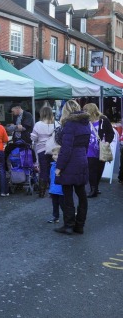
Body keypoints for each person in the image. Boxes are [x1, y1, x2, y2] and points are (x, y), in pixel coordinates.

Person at [54, 100, 90, 235]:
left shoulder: (70, 125)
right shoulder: (86, 123)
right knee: (82, 194)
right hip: (82, 159)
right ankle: (79, 225)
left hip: (71, 162)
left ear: (66, 110)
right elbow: (86, 145)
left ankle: (69, 225)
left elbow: (66, 149)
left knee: (67, 194)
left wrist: (59, 167)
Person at [82, 102, 115, 197]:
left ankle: (95, 187)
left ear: (91, 111)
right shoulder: (85, 121)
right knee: (91, 169)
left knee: (100, 169)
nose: (84, 112)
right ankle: (93, 189)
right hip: (89, 149)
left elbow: (110, 133)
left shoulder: (103, 120)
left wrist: (108, 142)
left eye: (86, 110)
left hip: (101, 149)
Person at [30, 106, 58, 198]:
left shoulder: (38, 124)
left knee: (44, 170)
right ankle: (54, 190)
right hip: (54, 150)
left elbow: (33, 138)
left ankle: (42, 192)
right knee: (54, 169)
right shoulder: (56, 124)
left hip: (42, 150)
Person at [47, 145, 63, 224]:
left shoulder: (62, 166)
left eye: (56, 154)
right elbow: (51, 178)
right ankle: (55, 217)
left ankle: (69, 218)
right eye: (53, 154)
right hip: (54, 190)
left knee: (64, 205)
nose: (53, 156)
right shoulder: (53, 165)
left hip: (61, 190)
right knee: (55, 205)